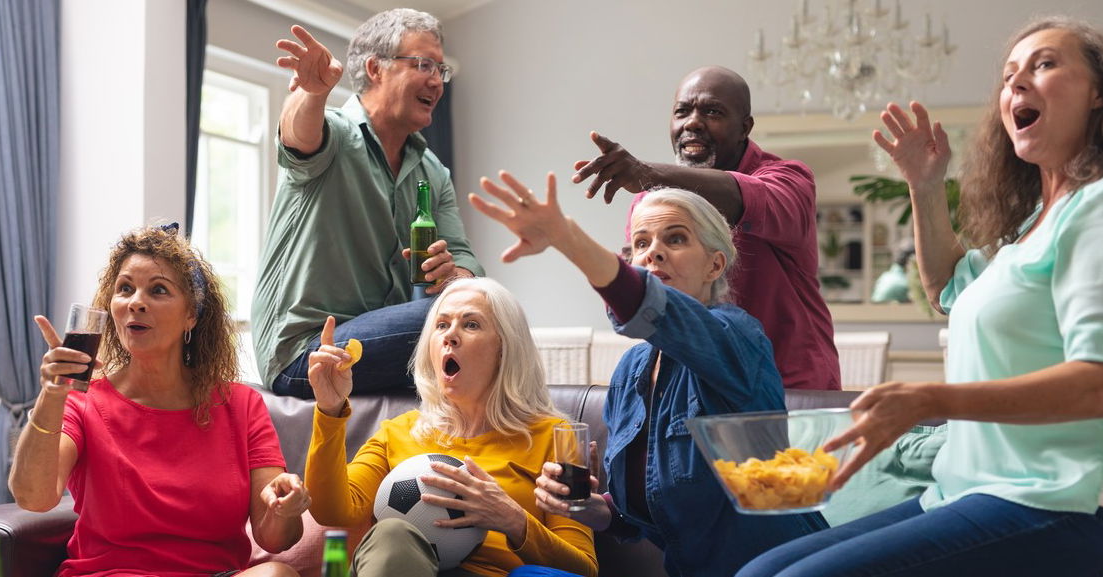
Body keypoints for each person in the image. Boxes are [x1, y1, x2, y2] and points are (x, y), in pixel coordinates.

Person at [738, 16, 1103, 577]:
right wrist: (925, 184)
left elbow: (1096, 382)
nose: (1016, 85)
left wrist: (934, 400)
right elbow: (948, 289)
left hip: (1055, 500)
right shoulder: (1034, 224)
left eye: (1045, 64)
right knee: (760, 572)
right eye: (1009, 76)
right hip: (961, 490)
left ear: (1098, 92)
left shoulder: (1095, 209)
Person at [470, 172, 827, 577]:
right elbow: (644, 517)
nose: (653, 253)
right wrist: (595, 508)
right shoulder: (631, 371)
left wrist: (567, 238)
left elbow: (648, 306)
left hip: (784, 565)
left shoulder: (738, 339)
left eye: (675, 239)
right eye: (641, 244)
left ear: (716, 264)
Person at [10, 224, 308, 577]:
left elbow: (274, 539)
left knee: (277, 574)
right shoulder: (83, 403)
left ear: (191, 316)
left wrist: (284, 509)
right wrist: (51, 395)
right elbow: (33, 497)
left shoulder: (241, 405)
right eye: (125, 289)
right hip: (110, 574)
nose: (136, 302)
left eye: (158, 290)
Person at [253, 8, 484, 399]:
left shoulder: (434, 172)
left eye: (441, 71)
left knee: (479, 306)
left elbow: (466, 263)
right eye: (424, 64)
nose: (436, 82)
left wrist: (454, 277)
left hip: (382, 344)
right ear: (376, 68)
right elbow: (297, 137)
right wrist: (311, 93)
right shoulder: (335, 133)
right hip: (306, 351)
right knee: (462, 320)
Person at [303, 277, 598, 577]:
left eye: (471, 325)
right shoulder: (398, 432)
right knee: (393, 535)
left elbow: (584, 570)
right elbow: (331, 511)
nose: (450, 336)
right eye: (441, 325)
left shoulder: (556, 438)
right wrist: (330, 408)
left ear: (504, 348)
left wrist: (512, 519)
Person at [572, 66, 839, 391]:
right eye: (682, 111)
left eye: (712, 112)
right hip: (694, 392)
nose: (693, 123)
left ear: (745, 128)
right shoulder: (648, 197)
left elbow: (743, 197)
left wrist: (647, 174)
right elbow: (639, 294)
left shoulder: (790, 180)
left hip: (791, 390)